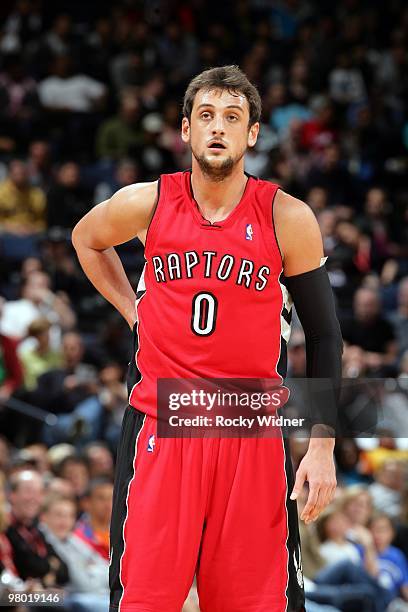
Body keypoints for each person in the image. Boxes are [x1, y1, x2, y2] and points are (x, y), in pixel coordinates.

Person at [72, 65, 343, 612]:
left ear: (252, 134)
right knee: (143, 600)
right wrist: (133, 311)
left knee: (255, 602)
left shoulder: (286, 216)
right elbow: (86, 238)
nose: (218, 127)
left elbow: (325, 337)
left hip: (249, 428)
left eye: (232, 117)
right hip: (162, 425)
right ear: (186, 130)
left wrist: (322, 446)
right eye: (206, 116)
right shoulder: (147, 202)